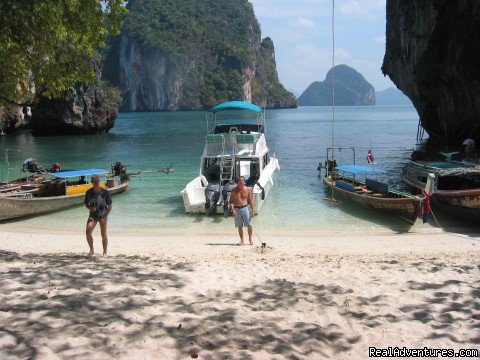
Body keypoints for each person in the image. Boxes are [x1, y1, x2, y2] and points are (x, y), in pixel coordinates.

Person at [84, 174, 112, 256]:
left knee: (103, 234)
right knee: (88, 231)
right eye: (94, 181)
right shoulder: (88, 192)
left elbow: (110, 206)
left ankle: (105, 252)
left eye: (97, 181)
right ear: (92, 182)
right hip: (93, 215)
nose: (96, 182)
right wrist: (90, 208)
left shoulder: (105, 192)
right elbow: (86, 203)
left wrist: (105, 216)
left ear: (99, 181)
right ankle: (91, 250)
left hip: (103, 215)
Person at [229, 176, 254, 246]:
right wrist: (232, 209)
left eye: (242, 180)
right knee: (240, 226)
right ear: (237, 182)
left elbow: (251, 200)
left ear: (244, 182)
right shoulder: (234, 190)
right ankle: (242, 240)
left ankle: (250, 238)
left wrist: (252, 210)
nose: (240, 181)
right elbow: (231, 201)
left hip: (245, 208)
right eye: (239, 180)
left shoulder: (247, 189)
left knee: (249, 225)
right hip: (236, 209)